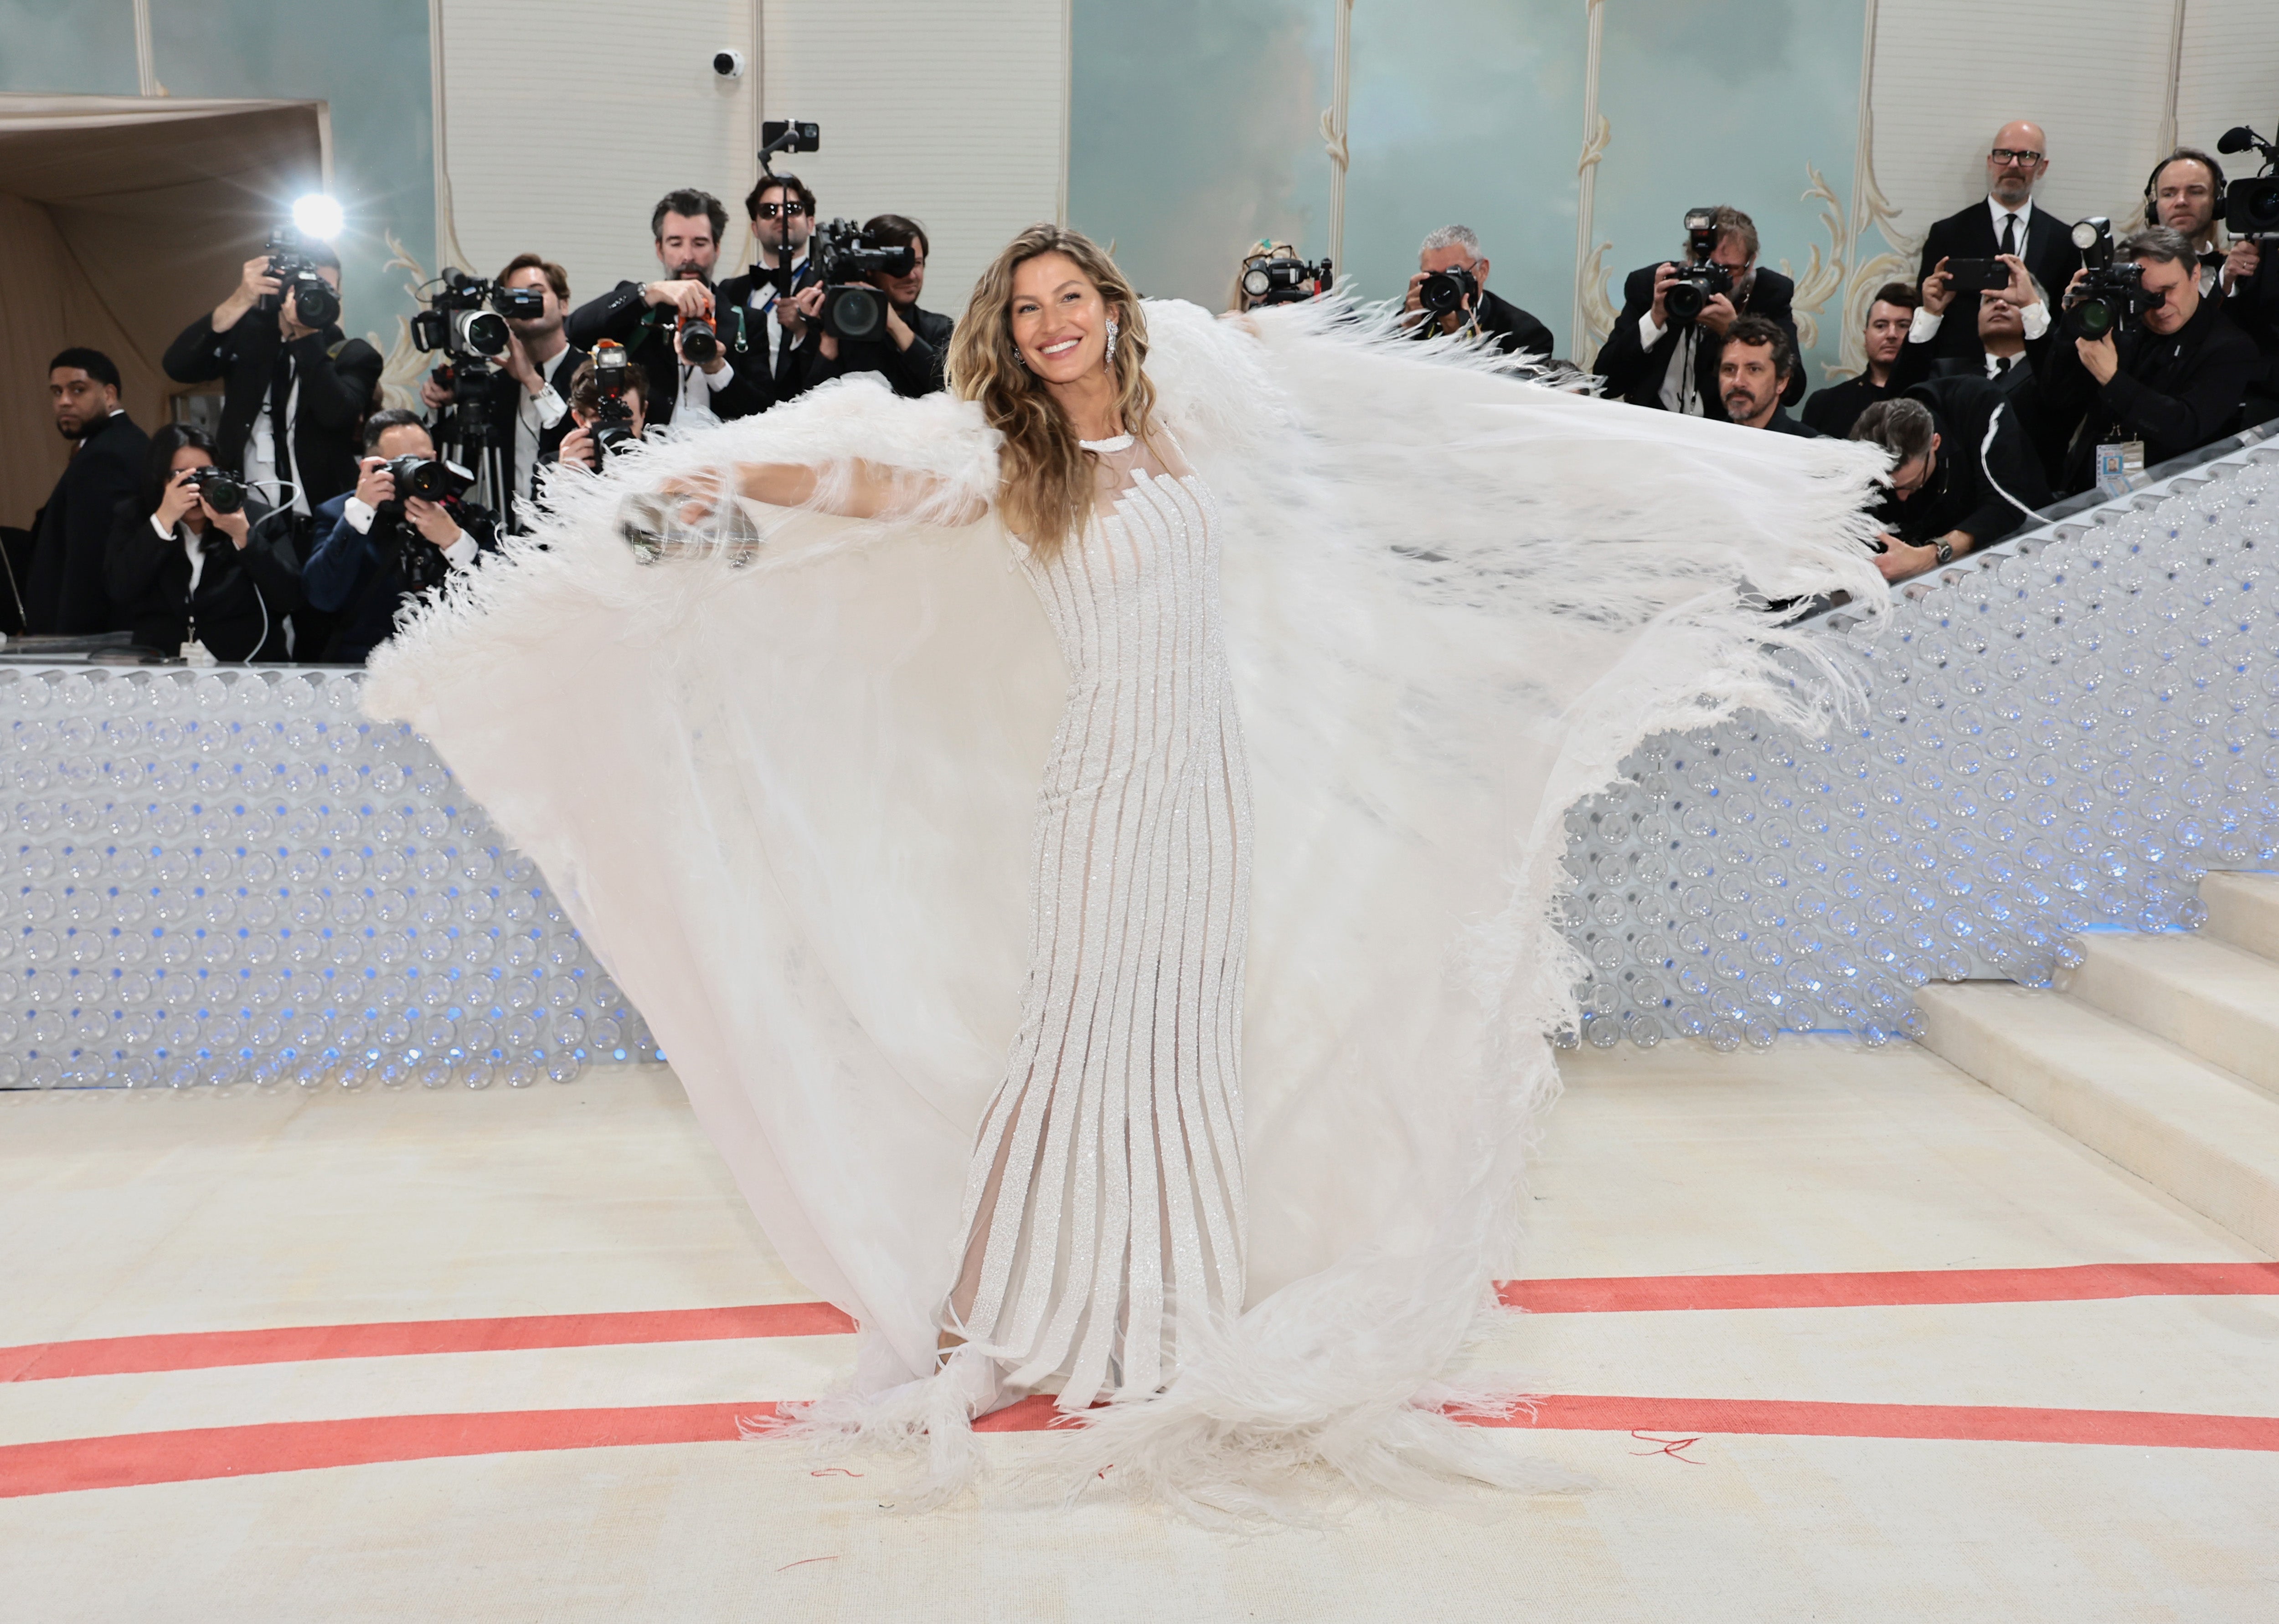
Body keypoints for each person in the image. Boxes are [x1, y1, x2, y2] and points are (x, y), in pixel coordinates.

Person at [365, 223, 1885, 1514]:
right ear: (1010, 339)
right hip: (1102, 792)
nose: (1049, 323)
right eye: (1023, 311)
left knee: (1178, 1047)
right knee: (1076, 1042)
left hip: (1203, 796)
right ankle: (1032, 1318)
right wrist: (744, 493)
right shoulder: (1006, 457)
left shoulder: (1190, 415)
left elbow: (1387, 444)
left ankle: (1163, 1314)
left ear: (1106, 305)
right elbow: (872, 488)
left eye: (1065, 297)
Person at [160, 237, 382, 514]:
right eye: (302, 288)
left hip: (321, 516)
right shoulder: (250, 335)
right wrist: (239, 300)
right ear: (280, 288)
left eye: (325, 290)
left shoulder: (354, 354)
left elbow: (337, 415)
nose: (311, 298)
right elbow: (178, 367)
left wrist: (306, 339)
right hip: (244, 511)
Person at [2033, 225, 2260, 493]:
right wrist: (2075, 320)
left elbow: (2186, 426)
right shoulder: (2121, 324)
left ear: (2195, 274)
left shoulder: (2229, 347)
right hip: (2090, 492)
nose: (2160, 306)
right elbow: (2057, 397)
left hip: (2178, 497)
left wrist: (2112, 380)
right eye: (2147, 296)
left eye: (2169, 289)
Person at [302, 410, 499, 662]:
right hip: (367, 671)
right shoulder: (338, 514)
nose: (417, 473)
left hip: (452, 668)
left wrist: (453, 540)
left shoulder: (464, 517)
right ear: (371, 466)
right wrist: (361, 512)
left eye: (425, 460)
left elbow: (502, 598)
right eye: (403, 463)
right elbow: (322, 596)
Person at [563, 190, 768, 429]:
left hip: (720, 461)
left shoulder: (747, 321)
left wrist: (717, 368)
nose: (688, 256)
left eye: (700, 243)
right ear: (659, 250)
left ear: (717, 248)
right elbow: (575, 330)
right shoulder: (638, 309)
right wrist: (648, 294)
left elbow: (763, 415)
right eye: (675, 243)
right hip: (647, 458)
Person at [104, 424, 296, 660]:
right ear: (159, 480)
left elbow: (290, 597)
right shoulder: (136, 518)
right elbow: (120, 589)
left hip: (245, 667)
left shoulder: (258, 519)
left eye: (204, 475)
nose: (195, 489)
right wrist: (162, 523)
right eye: (182, 478)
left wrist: (245, 537)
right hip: (164, 667)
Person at [421, 254, 587, 524]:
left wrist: (531, 380)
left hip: (573, 535)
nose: (525, 302)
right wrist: (440, 405)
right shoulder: (495, 386)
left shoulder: (590, 374)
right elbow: (454, 463)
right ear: (506, 315)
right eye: (515, 297)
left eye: (537, 293)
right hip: (509, 537)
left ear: (564, 304)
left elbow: (581, 437)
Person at [1593, 206, 1803, 416]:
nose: (1713, 279)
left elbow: (1793, 390)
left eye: (1728, 270)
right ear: (1688, 258)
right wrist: (1655, 318)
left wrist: (1735, 333)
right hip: (1653, 424)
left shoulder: (1769, 294)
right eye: (1703, 265)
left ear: (1751, 264)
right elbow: (1606, 384)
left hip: (1726, 432)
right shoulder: (1654, 285)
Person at [1914, 121, 2082, 362]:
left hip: (2037, 378)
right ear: (1990, 161)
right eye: (2004, 154)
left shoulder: (2065, 241)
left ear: (2042, 167)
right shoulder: (1947, 234)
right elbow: (1929, 310)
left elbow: (2066, 321)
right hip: (1961, 376)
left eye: (2026, 156)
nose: (2013, 164)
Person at [1850, 384, 2049, 582]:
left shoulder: (1978, 405)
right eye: (1891, 488)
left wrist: (1931, 555)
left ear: (1935, 442)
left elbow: (2006, 504)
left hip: (2028, 549)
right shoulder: (1868, 449)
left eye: (1911, 484)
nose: (1901, 497)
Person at [1891, 253, 2062, 479]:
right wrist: (1931, 314)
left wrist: (2031, 305)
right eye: (1990, 300)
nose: (2000, 303)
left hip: (2029, 498)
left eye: (2012, 300)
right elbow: (1897, 402)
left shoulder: (2049, 376)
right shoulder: (1947, 373)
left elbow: (2060, 398)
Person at [27, 348, 149, 635]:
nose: (64, 402)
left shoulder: (106, 455)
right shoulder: (118, 442)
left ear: (109, 394)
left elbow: (90, 563)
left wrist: (72, 644)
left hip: (90, 639)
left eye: (78, 390)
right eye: (56, 392)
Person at [781, 214, 955, 399]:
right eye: (899, 266)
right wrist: (828, 333)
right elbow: (808, 405)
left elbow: (949, 390)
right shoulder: (839, 335)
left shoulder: (940, 329)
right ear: (869, 267)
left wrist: (896, 326)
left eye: (918, 263)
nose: (911, 275)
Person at [715, 171, 825, 403]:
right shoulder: (729, 290)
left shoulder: (828, 288)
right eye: (769, 211)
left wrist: (802, 331)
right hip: (739, 419)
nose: (782, 216)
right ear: (755, 228)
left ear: (811, 223)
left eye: (793, 209)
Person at [1399, 225, 1553, 360]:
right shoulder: (1415, 317)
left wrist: (1476, 346)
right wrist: (1406, 330)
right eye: (1433, 276)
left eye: (1453, 273)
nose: (1443, 285)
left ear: (1483, 271)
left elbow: (1519, 389)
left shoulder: (1526, 334)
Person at [1802, 283, 1916, 437]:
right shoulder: (1826, 404)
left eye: (1903, 326)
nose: (1892, 334)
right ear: (1866, 335)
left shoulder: (1929, 399)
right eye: (1881, 326)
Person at [547, 354, 652, 473]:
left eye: (626, 422)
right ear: (580, 420)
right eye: (605, 423)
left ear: (643, 412)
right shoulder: (551, 468)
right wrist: (563, 477)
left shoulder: (665, 464)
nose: (616, 434)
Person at [1717, 316, 1817, 434]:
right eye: (1729, 369)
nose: (1738, 382)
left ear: (1782, 381)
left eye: (1754, 370)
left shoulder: (1813, 448)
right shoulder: (1703, 440)